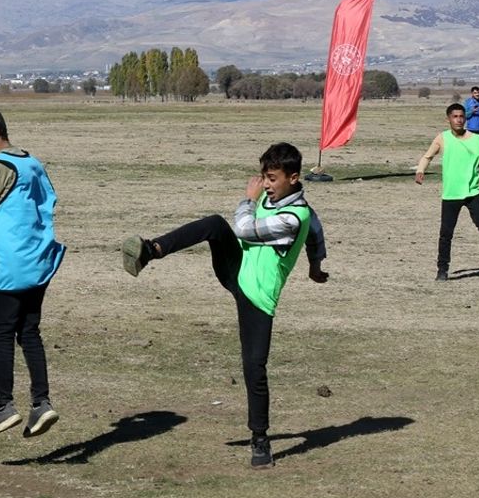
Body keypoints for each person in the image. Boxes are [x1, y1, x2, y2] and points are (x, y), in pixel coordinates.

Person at [120, 142, 328, 469]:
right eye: (264, 177)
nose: (266, 184)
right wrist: (316, 265)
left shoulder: (292, 216)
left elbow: (248, 228)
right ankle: (151, 250)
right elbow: (317, 232)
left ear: (294, 177)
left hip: (257, 298)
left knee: (253, 368)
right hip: (236, 269)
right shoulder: (284, 203)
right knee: (215, 225)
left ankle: (260, 440)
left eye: (272, 178)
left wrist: (248, 199)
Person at [0, 104, 66, 439]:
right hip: (40, 261)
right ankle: (41, 403)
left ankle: (3, 406)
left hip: (14, 265)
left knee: (3, 334)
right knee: (30, 332)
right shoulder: (31, 161)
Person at [415, 103, 479, 282]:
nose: (458, 120)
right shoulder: (443, 138)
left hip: (472, 192)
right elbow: (428, 156)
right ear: (448, 119)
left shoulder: (475, 138)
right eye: (455, 116)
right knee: (446, 233)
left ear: (465, 118)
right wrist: (420, 170)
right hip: (451, 194)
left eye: (461, 116)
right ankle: (442, 269)